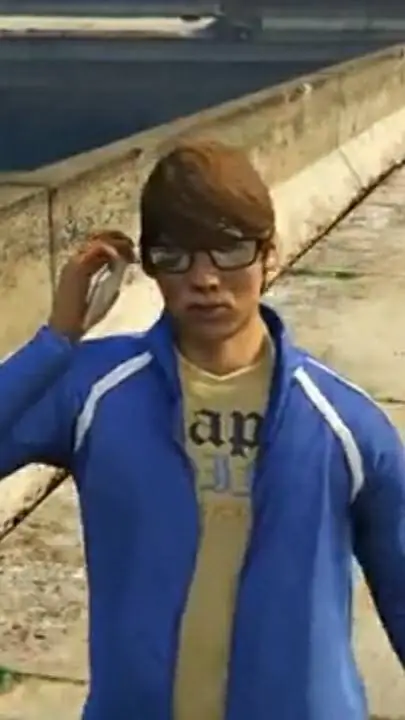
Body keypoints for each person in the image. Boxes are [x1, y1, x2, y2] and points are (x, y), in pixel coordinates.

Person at [1, 140, 404, 720]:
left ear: (269, 253)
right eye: (176, 256)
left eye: (230, 249)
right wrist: (56, 339)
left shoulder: (345, 425)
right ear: (148, 265)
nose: (205, 278)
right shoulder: (93, 392)